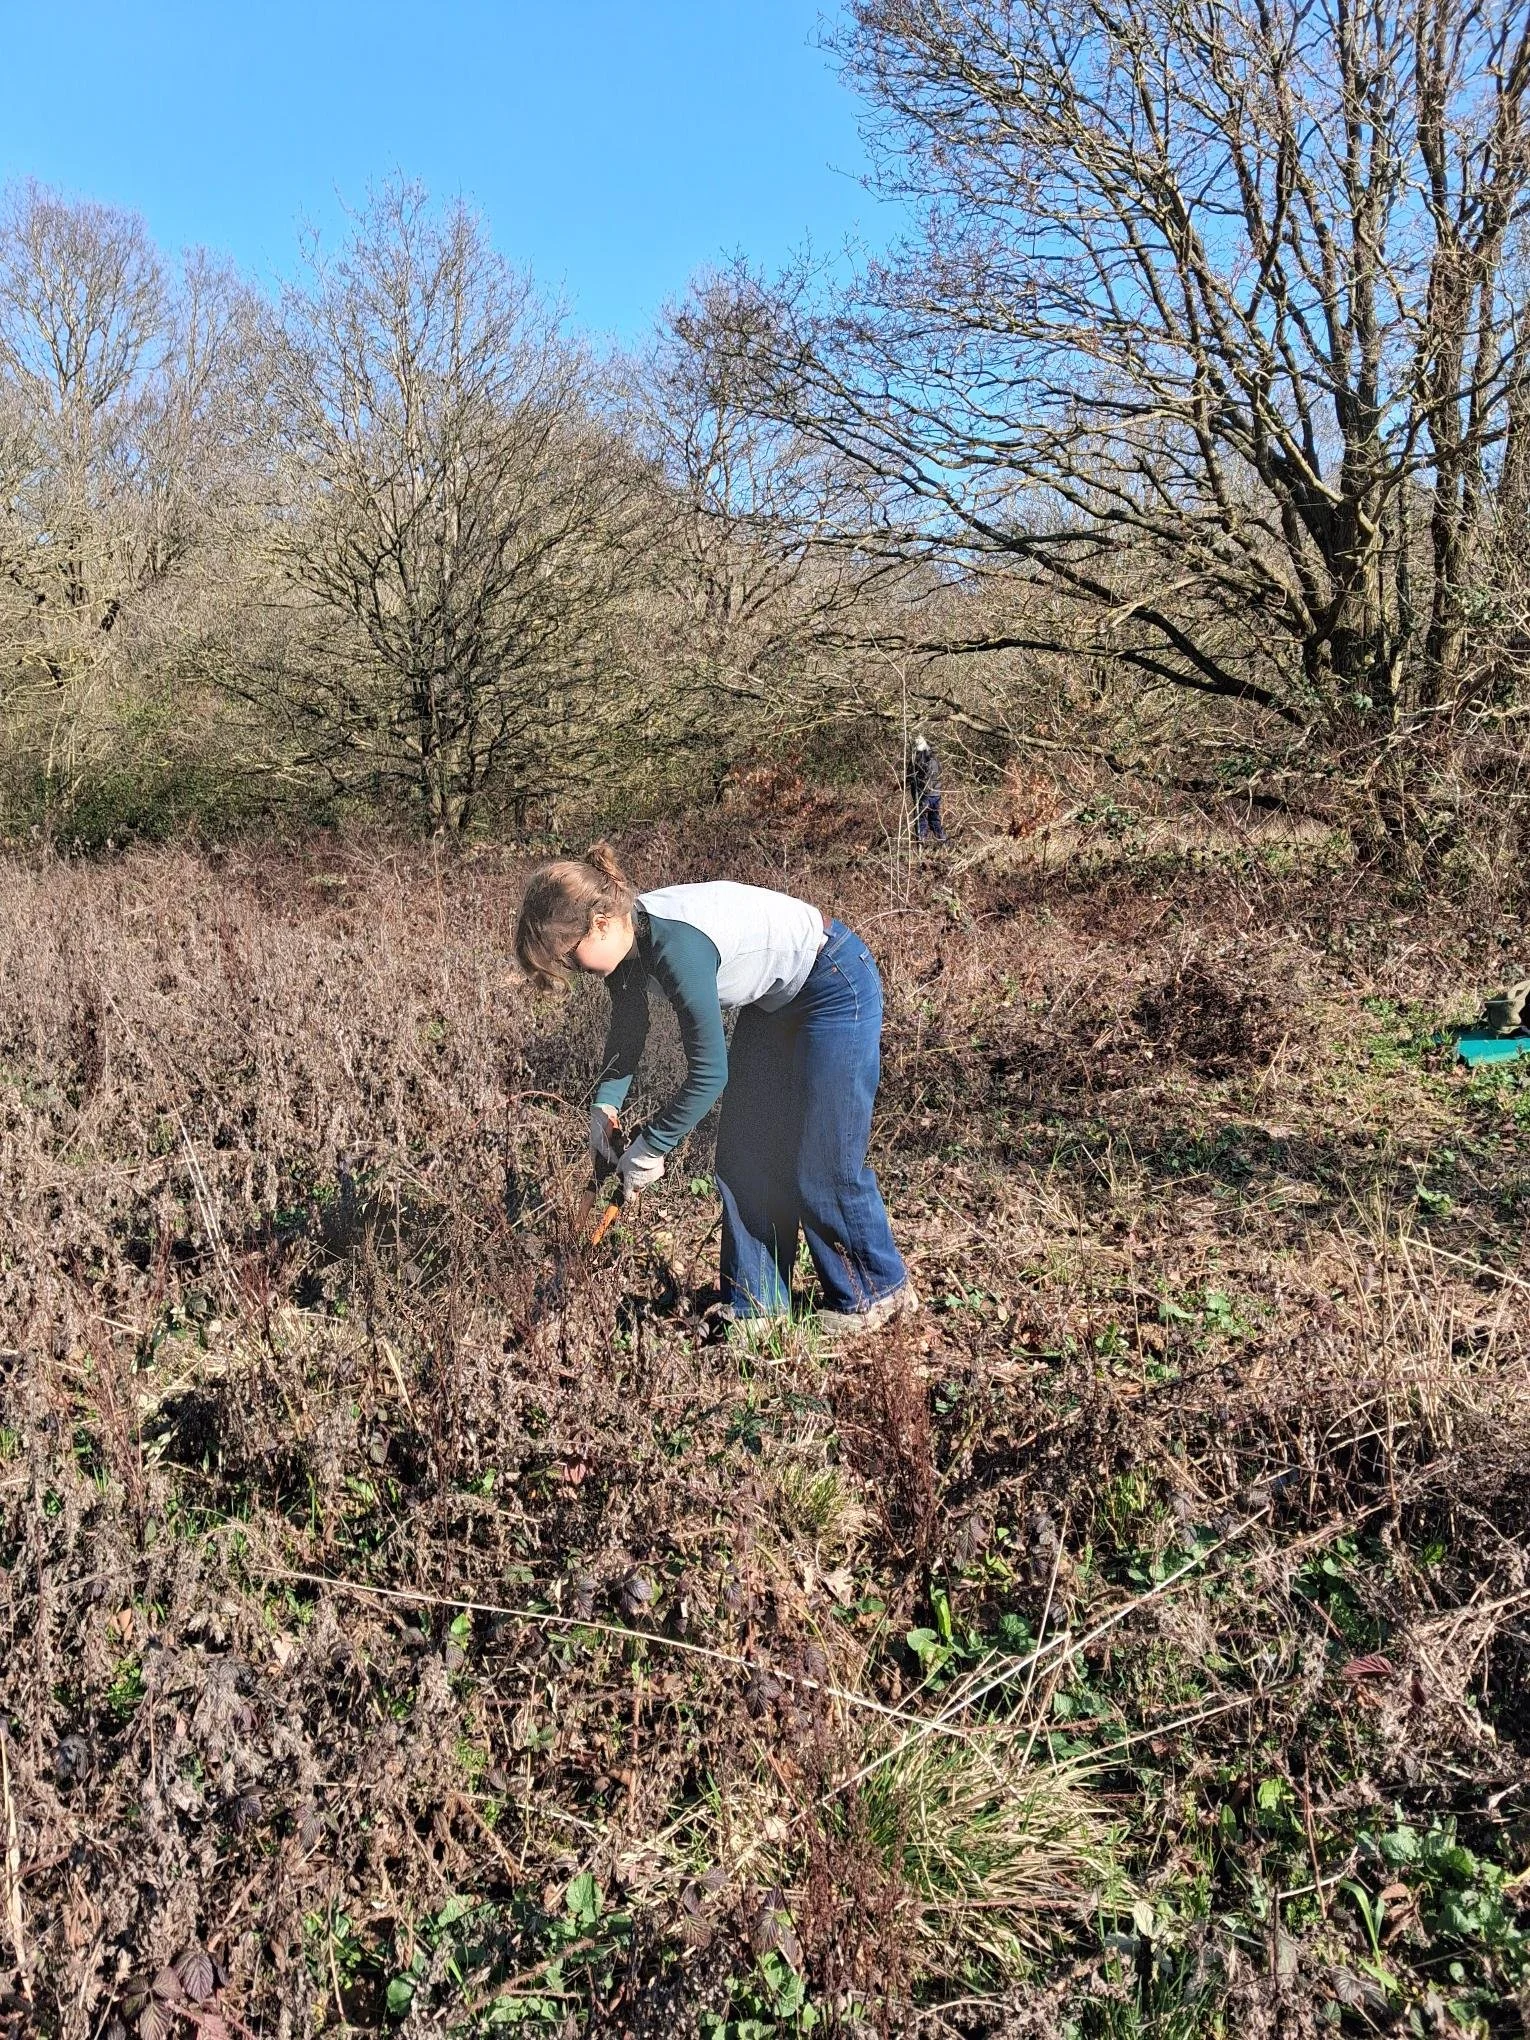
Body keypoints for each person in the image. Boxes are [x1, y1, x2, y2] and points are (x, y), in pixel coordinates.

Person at [514, 844, 917, 1337]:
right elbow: (628, 1030)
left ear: (600, 922)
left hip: (833, 984)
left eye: (570, 959)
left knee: (822, 1159)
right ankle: (757, 1304)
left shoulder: (676, 949)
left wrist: (653, 1146)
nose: (575, 971)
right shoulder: (626, 946)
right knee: (745, 1154)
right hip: (774, 1004)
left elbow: (709, 1075)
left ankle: (875, 1290)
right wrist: (605, 1106)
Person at [905, 735, 947, 845]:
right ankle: (944, 843)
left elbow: (909, 777)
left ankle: (921, 845)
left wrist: (899, 785)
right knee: (935, 821)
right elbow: (940, 773)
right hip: (936, 795)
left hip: (923, 795)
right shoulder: (934, 758)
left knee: (920, 821)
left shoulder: (916, 759)